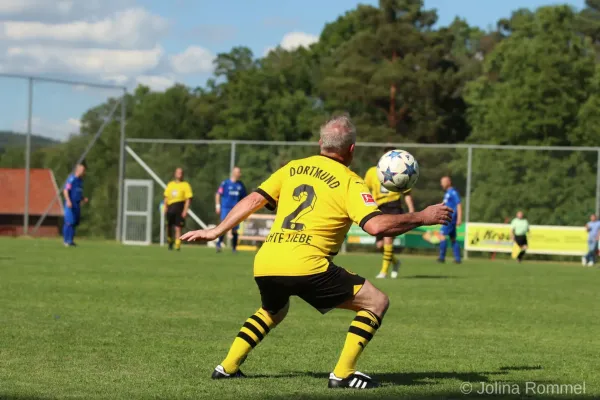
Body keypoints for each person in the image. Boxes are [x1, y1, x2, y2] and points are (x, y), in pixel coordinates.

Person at [181, 115, 453, 389]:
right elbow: (377, 226)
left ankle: (227, 367)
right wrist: (422, 216)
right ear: (351, 150)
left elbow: (254, 199)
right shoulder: (351, 181)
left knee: (272, 311)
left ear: (321, 143)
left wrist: (216, 231)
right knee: (376, 302)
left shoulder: (292, 168)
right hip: (306, 264)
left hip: (266, 261)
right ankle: (343, 374)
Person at [364, 151, 415, 279]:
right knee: (380, 245)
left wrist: (412, 211)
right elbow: (365, 190)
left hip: (393, 205)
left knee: (388, 238)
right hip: (378, 207)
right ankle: (396, 262)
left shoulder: (400, 170)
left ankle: (384, 271)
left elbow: (407, 194)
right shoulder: (371, 172)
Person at [215, 167, 247, 252]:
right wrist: (218, 206)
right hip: (225, 208)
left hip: (236, 209)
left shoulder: (240, 185)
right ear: (233, 173)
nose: (239, 174)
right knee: (224, 227)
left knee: (235, 229)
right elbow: (218, 194)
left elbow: (245, 198)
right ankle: (218, 244)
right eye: (238, 172)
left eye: (240, 172)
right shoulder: (225, 183)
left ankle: (234, 248)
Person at [163, 167, 193, 251]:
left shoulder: (185, 185)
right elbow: (166, 197)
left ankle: (177, 244)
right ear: (175, 174)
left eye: (181, 172)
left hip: (179, 207)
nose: (179, 174)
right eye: (178, 172)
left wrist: (185, 210)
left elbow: (188, 199)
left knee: (178, 227)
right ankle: (169, 242)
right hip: (170, 207)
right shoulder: (170, 184)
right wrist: (165, 207)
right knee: (169, 226)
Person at [438, 176, 462, 264]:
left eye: (443, 182)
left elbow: (458, 205)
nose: (441, 184)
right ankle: (458, 259)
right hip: (448, 217)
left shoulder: (453, 192)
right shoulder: (448, 193)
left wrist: (459, 218)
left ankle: (441, 257)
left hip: (450, 218)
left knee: (441, 235)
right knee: (453, 238)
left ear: (448, 182)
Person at [62, 163, 87, 247]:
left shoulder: (80, 181)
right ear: (78, 170)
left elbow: (78, 192)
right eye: (83, 170)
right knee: (69, 222)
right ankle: (66, 241)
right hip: (70, 204)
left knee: (74, 223)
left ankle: (71, 241)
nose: (84, 172)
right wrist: (68, 201)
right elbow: (65, 190)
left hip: (77, 205)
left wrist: (83, 198)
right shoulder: (71, 179)